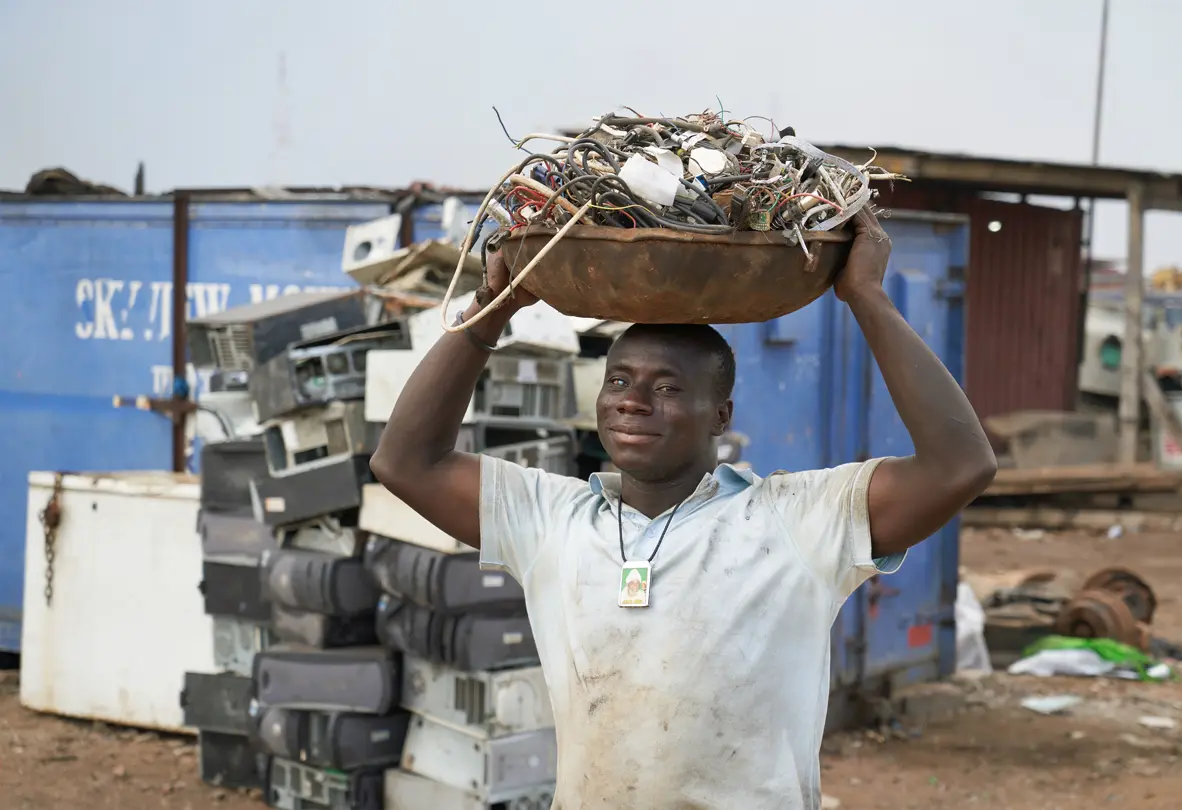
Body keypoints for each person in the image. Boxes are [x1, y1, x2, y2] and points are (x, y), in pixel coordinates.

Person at [371, 206, 997, 810]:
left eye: (667, 387)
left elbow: (959, 467)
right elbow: (405, 463)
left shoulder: (796, 519)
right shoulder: (551, 517)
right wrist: (493, 310)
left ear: (721, 416)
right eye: (619, 381)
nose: (632, 402)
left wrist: (868, 297)